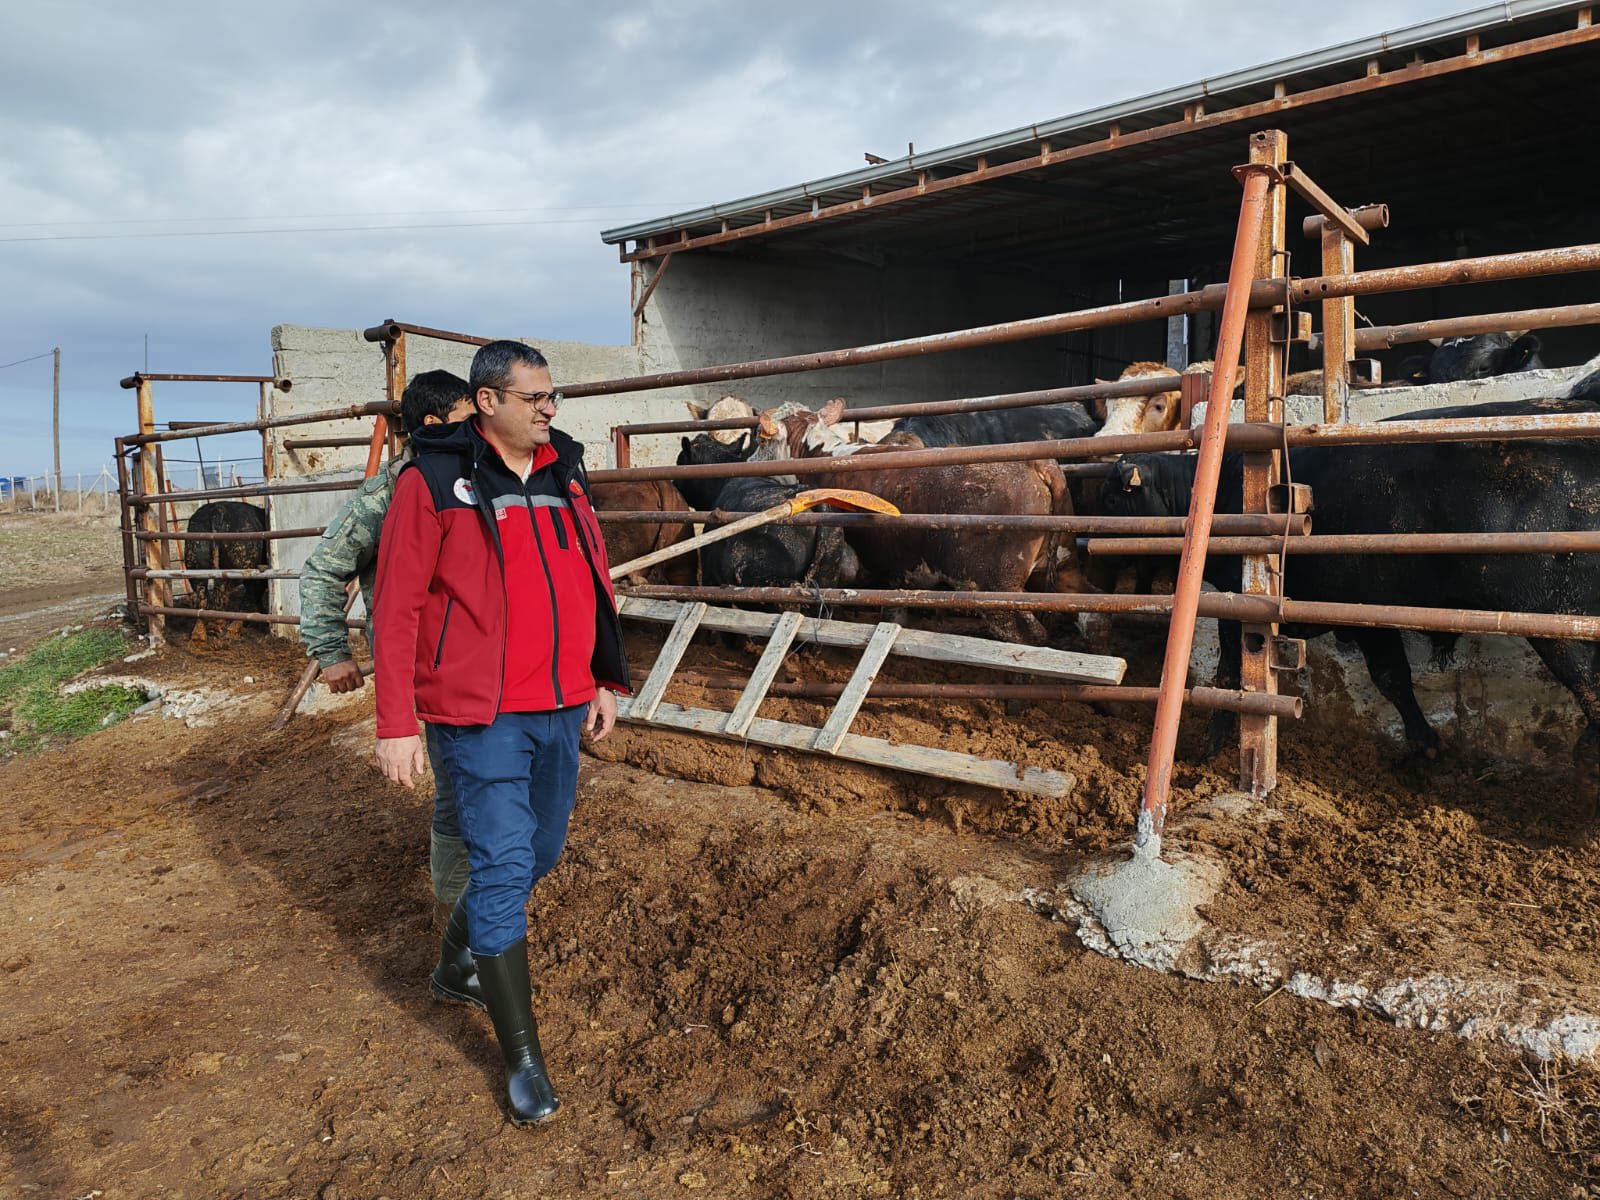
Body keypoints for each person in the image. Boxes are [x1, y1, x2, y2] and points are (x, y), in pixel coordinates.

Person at [372, 340, 630, 1126]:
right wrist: (395, 724)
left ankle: (456, 961)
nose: (550, 409)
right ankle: (523, 1060)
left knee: (539, 851)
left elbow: (592, 572)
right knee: (504, 859)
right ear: (488, 402)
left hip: (557, 704)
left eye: (553, 397)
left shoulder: (563, 473)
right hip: (475, 714)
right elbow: (398, 606)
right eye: (535, 398)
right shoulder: (431, 481)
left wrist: (603, 676)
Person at [298, 370, 479, 948]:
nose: (479, 428)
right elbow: (323, 568)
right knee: (456, 792)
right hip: (424, 665)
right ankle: (455, 922)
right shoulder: (389, 494)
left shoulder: (480, 476)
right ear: (432, 425)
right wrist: (332, 652)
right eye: (465, 418)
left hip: (477, 661)